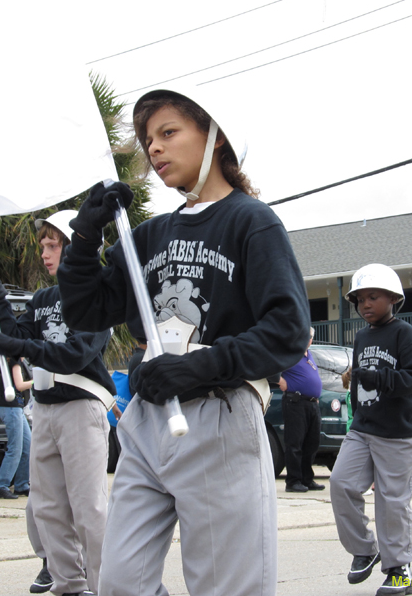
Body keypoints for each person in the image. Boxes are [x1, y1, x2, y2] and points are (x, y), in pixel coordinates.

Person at [56, 88, 310, 596]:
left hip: (219, 412)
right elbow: (86, 309)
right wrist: (84, 238)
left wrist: (202, 365)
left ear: (216, 138)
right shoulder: (147, 235)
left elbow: (287, 328)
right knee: (121, 582)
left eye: (168, 133)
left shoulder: (251, 220)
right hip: (147, 420)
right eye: (149, 140)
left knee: (226, 586)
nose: (154, 149)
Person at [0, 209, 114, 596]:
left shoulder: (95, 296)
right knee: (46, 508)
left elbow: (75, 353)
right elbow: (14, 334)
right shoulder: (42, 298)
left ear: (72, 248)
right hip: (44, 409)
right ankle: (69, 585)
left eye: (52, 244)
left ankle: (103, 585)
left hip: (80, 406)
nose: (44, 253)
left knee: (88, 508)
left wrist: (20, 346)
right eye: (42, 246)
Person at [329, 264, 412, 595]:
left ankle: (399, 568)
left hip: (400, 432)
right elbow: (360, 379)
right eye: (359, 300)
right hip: (364, 427)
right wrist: (354, 382)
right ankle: (365, 550)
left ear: (393, 299)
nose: (365, 305)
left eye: (373, 297)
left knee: (392, 501)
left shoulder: (404, 333)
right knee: (341, 483)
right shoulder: (361, 336)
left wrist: (373, 377)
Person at [280, 327, 324, 493]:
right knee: (295, 443)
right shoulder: (289, 352)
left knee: (311, 444)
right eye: (306, 336)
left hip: (312, 404)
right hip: (295, 402)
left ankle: (307, 478)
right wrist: (280, 381)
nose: (308, 339)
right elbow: (270, 367)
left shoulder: (309, 355)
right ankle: (293, 481)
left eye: (310, 337)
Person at [0, 357, 32, 500]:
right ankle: (1, 486)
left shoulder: (13, 362)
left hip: (17, 408)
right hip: (11, 408)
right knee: (15, 448)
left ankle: (22, 484)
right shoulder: (15, 363)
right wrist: (37, 381)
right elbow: (19, 385)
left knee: (28, 445)